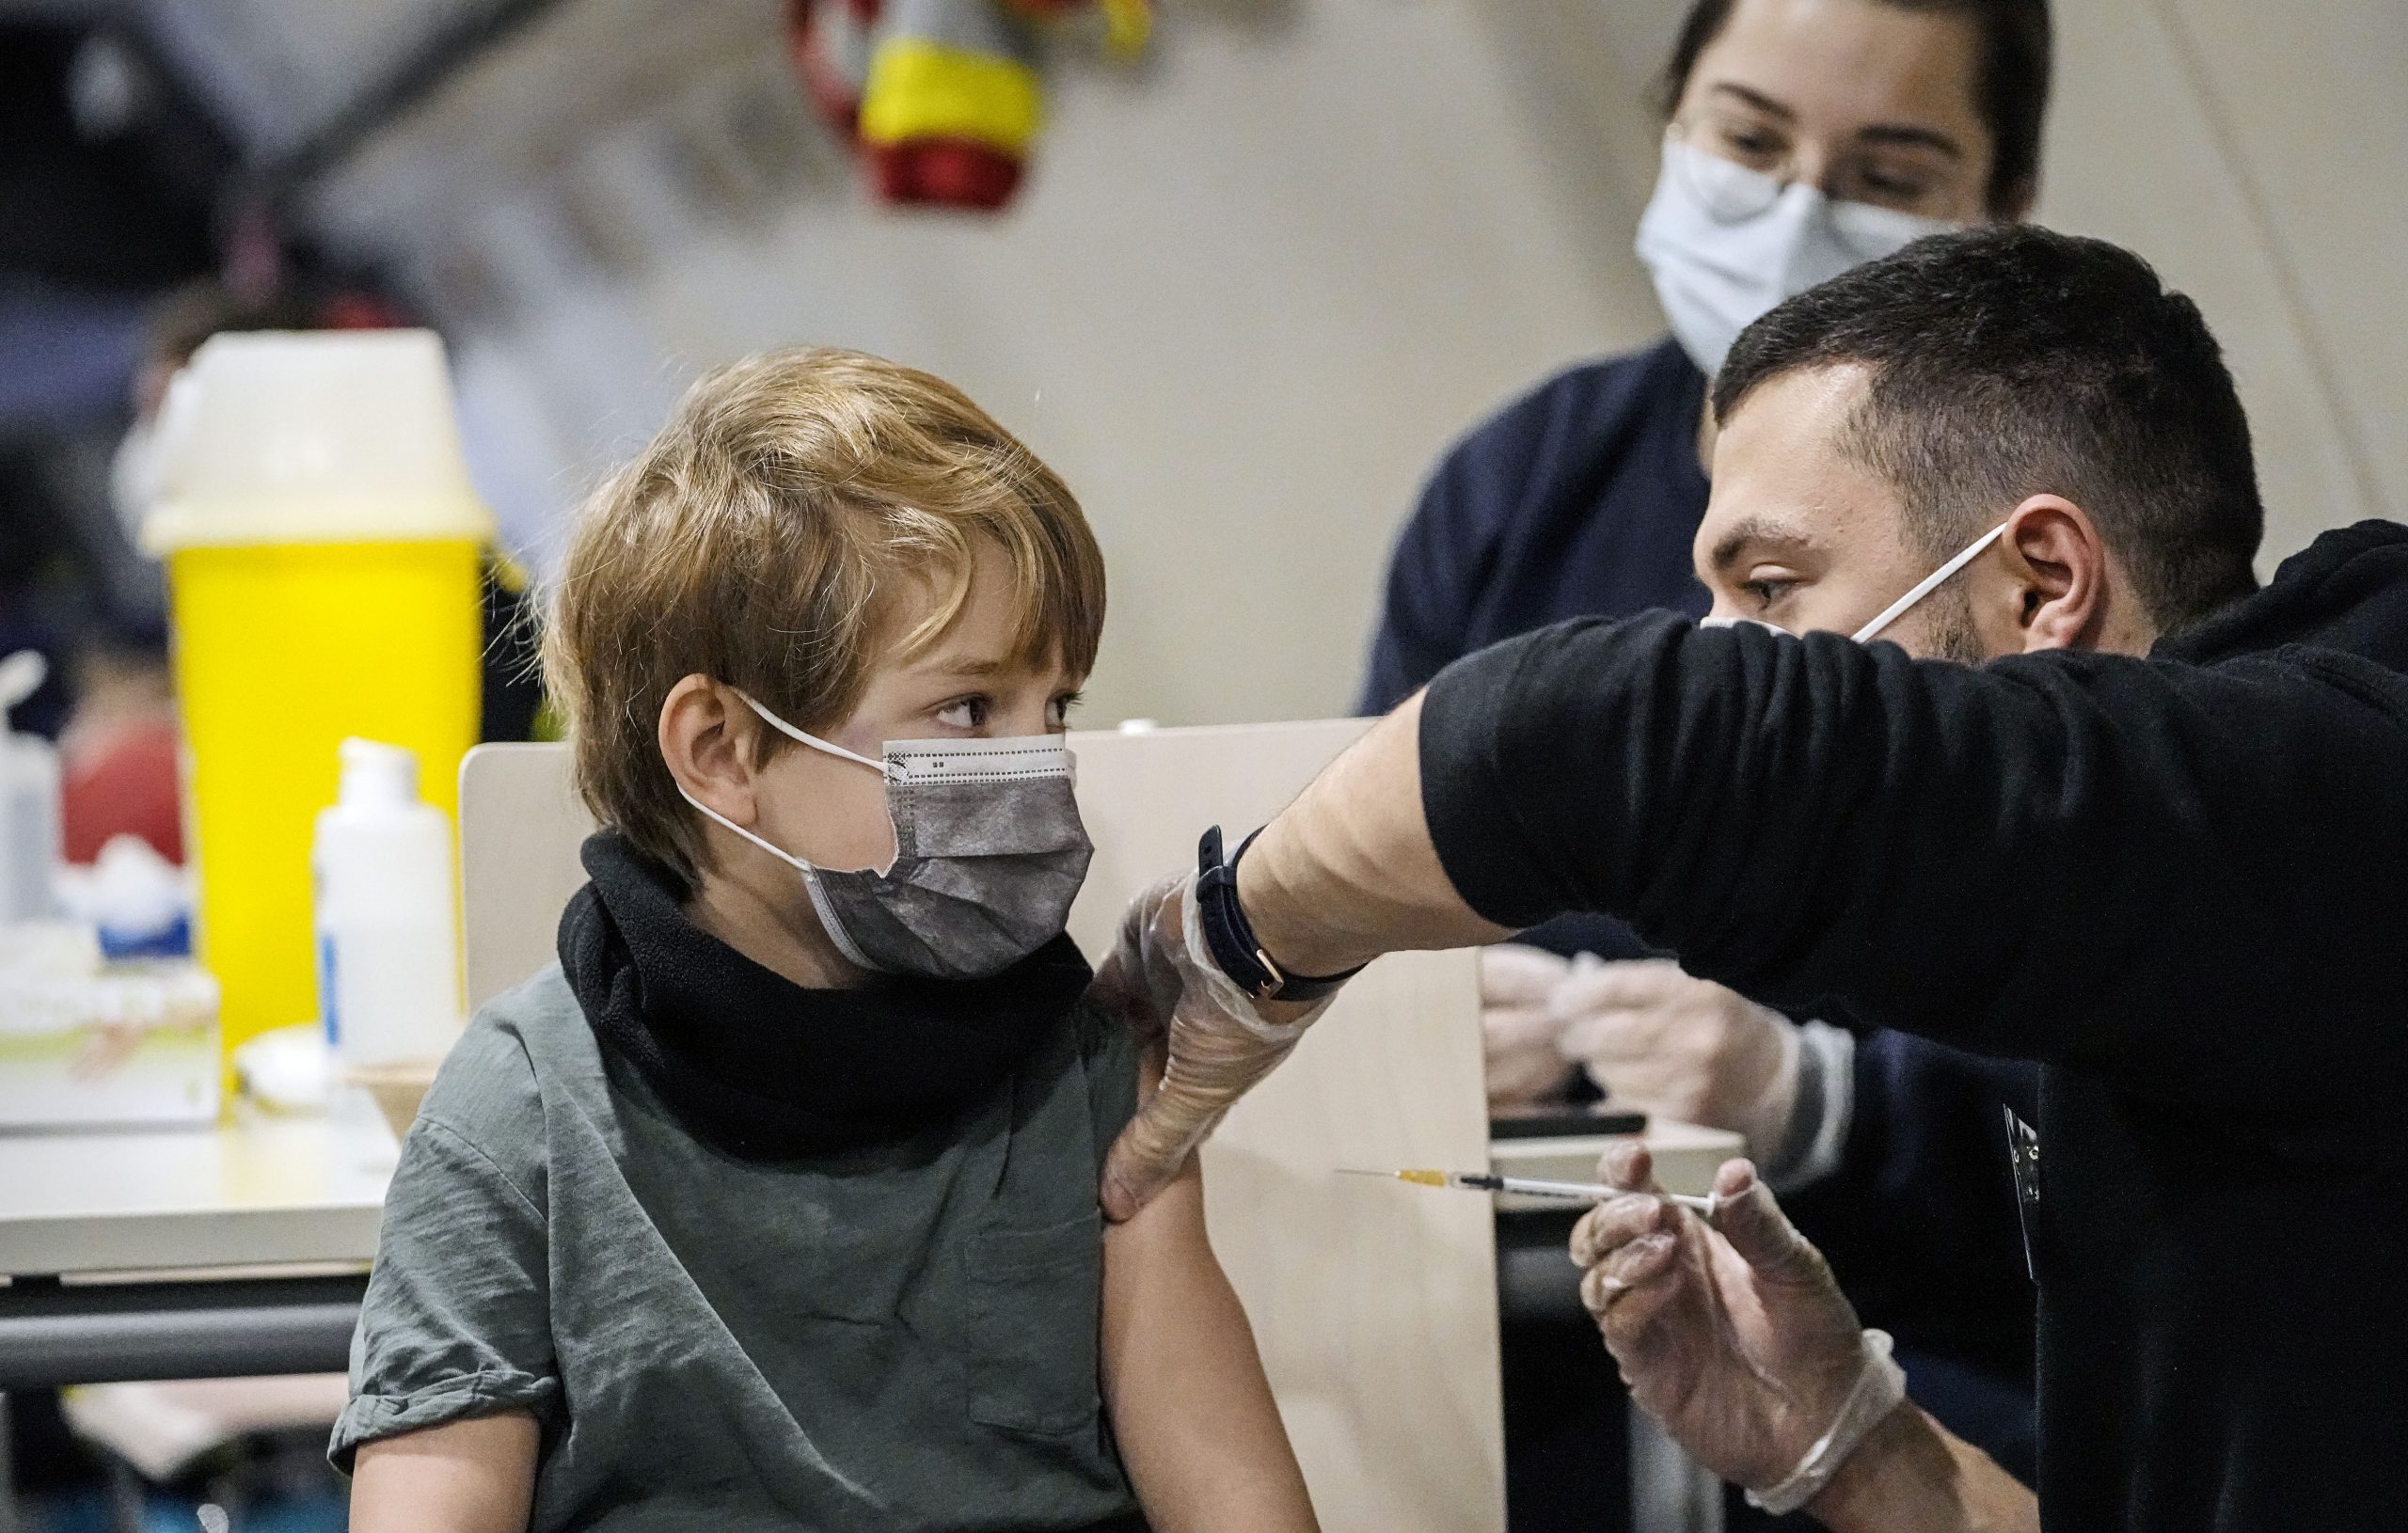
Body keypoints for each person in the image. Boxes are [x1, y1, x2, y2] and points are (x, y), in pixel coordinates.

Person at [1093, 226, 2408, 1531]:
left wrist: (1230, 944)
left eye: (1771, 590)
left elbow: (1579, 736)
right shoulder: (2145, 951)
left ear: (2040, 584)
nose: (1728, 650)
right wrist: (1850, 1442)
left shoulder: (2322, 813)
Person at [336, 349, 1317, 1532]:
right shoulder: (523, 1109)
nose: (1040, 767)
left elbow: (1235, 1500)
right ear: (722, 752)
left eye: (1054, 708)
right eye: (969, 709)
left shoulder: (1084, 1065)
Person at [1369, 0, 2055, 1496]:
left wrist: (1826, 1099)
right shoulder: (1519, 490)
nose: (1797, 213)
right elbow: (1368, 878)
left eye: (1886, 174)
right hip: (1542, 1366)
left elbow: (2151, 1053)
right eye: (1748, 142)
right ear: (1673, 122)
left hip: (1944, 1388)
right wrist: (1412, 1025)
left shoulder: (2050, 551)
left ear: (2000, 210)